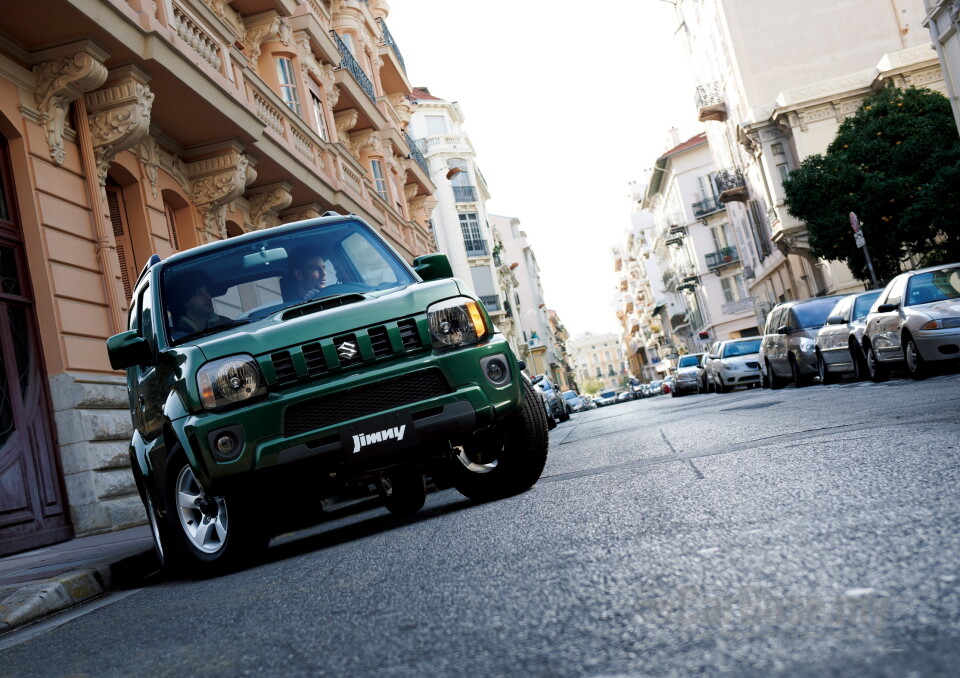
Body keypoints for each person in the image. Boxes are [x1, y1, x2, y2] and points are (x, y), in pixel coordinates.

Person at [168, 270, 232, 340]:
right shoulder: (176, 338)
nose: (208, 297)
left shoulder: (224, 322)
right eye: (199, 293)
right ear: (184, 300)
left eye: (207, 291)